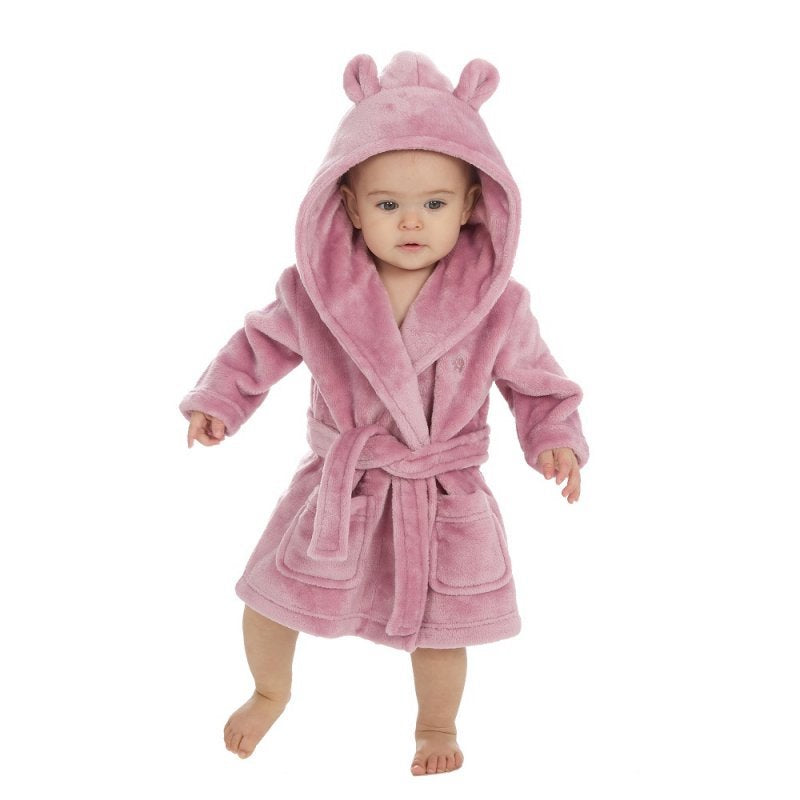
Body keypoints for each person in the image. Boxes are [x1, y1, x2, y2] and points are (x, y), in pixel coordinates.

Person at [179, 51, 589, 776]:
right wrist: (221, 400)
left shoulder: (499, 304)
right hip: (344, 484)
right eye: (388, 204)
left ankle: (435, 726)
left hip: (440, 491)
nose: (411, 222)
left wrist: (553, 437)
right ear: (348, 208)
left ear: (473, 206)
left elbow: (536, 380)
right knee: (271, 596)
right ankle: (269, 690)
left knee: (442, 628)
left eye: (435, 203)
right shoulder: (318, 291)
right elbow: (259, 346)